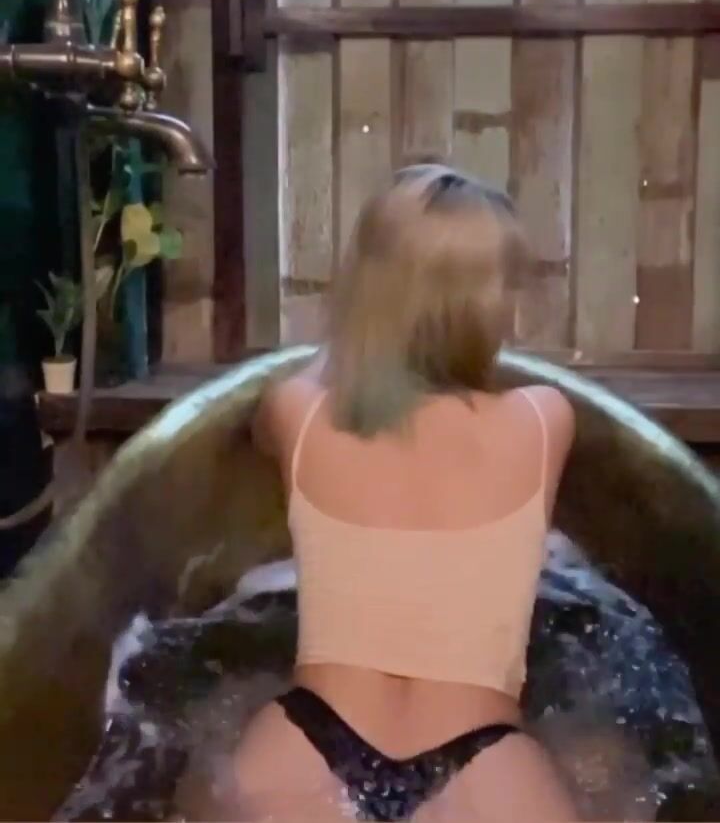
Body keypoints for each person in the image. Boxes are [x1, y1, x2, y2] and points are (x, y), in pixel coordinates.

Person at [231, 165, 577, 821]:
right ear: (491, 302)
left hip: (303, 746)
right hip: (484, 758)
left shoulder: (296, 412)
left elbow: (330, 365)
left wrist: (372, 315)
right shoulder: (544, 419)